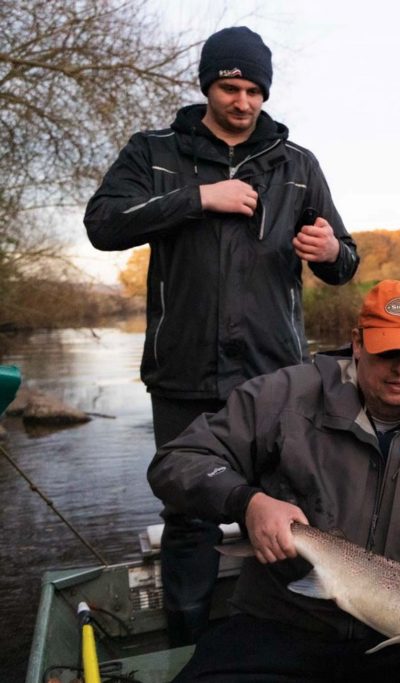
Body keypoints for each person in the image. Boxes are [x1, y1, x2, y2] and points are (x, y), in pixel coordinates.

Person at [84, 26, 359, 645]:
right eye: (230, 87)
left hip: (274, 375)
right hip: (182, 373)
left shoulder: (297, 165)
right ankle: (189, 645)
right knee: (188, 517)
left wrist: (330, 250)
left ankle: (297, 641)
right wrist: (198, 197)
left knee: (291, 511)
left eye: (255, 91)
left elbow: (344, 265)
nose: (243, 102)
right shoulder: (155, 153)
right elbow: (102, 224)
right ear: (207, 83)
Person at [148, 280, 400, 682]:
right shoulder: (283, 396)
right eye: (388, 350)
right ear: (358, 342)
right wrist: (247, 502)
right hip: (284, 622)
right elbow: (177, 460)